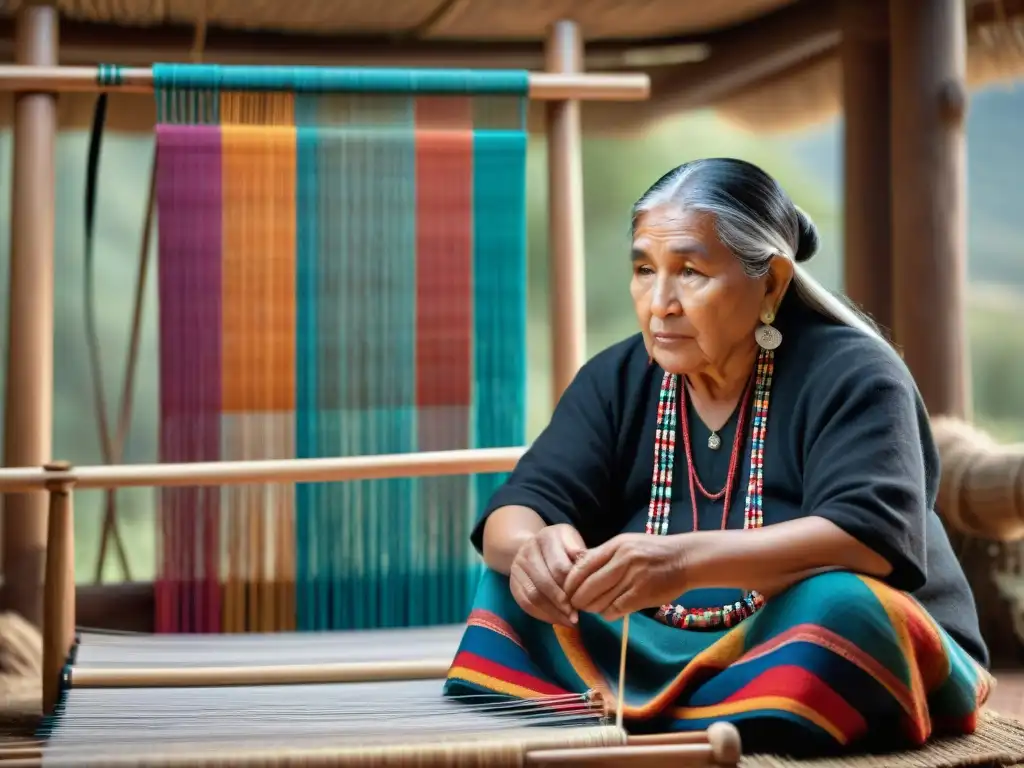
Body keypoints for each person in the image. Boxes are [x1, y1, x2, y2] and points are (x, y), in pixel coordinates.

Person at [443, 158, 992, 755]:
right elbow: (517, 509)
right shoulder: (617, 379)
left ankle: (659, 713)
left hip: (799, 636)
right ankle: (724, 715)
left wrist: (679, 564)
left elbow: (868, 539)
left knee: (846, 610)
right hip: (654, 640)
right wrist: (535, 551)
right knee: (507, 585)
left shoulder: (854, 373)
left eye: (690, 272)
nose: (660, 303)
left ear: (772, 283)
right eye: (644, 270)